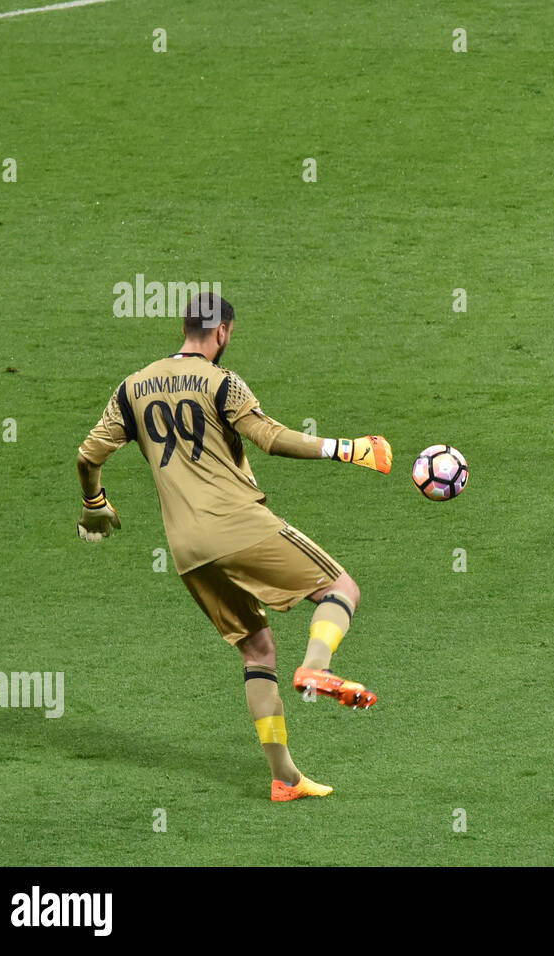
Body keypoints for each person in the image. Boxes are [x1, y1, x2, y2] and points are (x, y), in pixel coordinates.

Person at [75, 293, 391, 800]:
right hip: (238, 526)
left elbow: (88, 455)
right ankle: (318, 666)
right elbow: (269, 437)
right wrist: (347, 449)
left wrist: (95, 504)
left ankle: (286, 779)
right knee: (340, 588)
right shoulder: (221, 381)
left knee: (256, 649)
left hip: (186, 550)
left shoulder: (131, 388)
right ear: (222, 332)